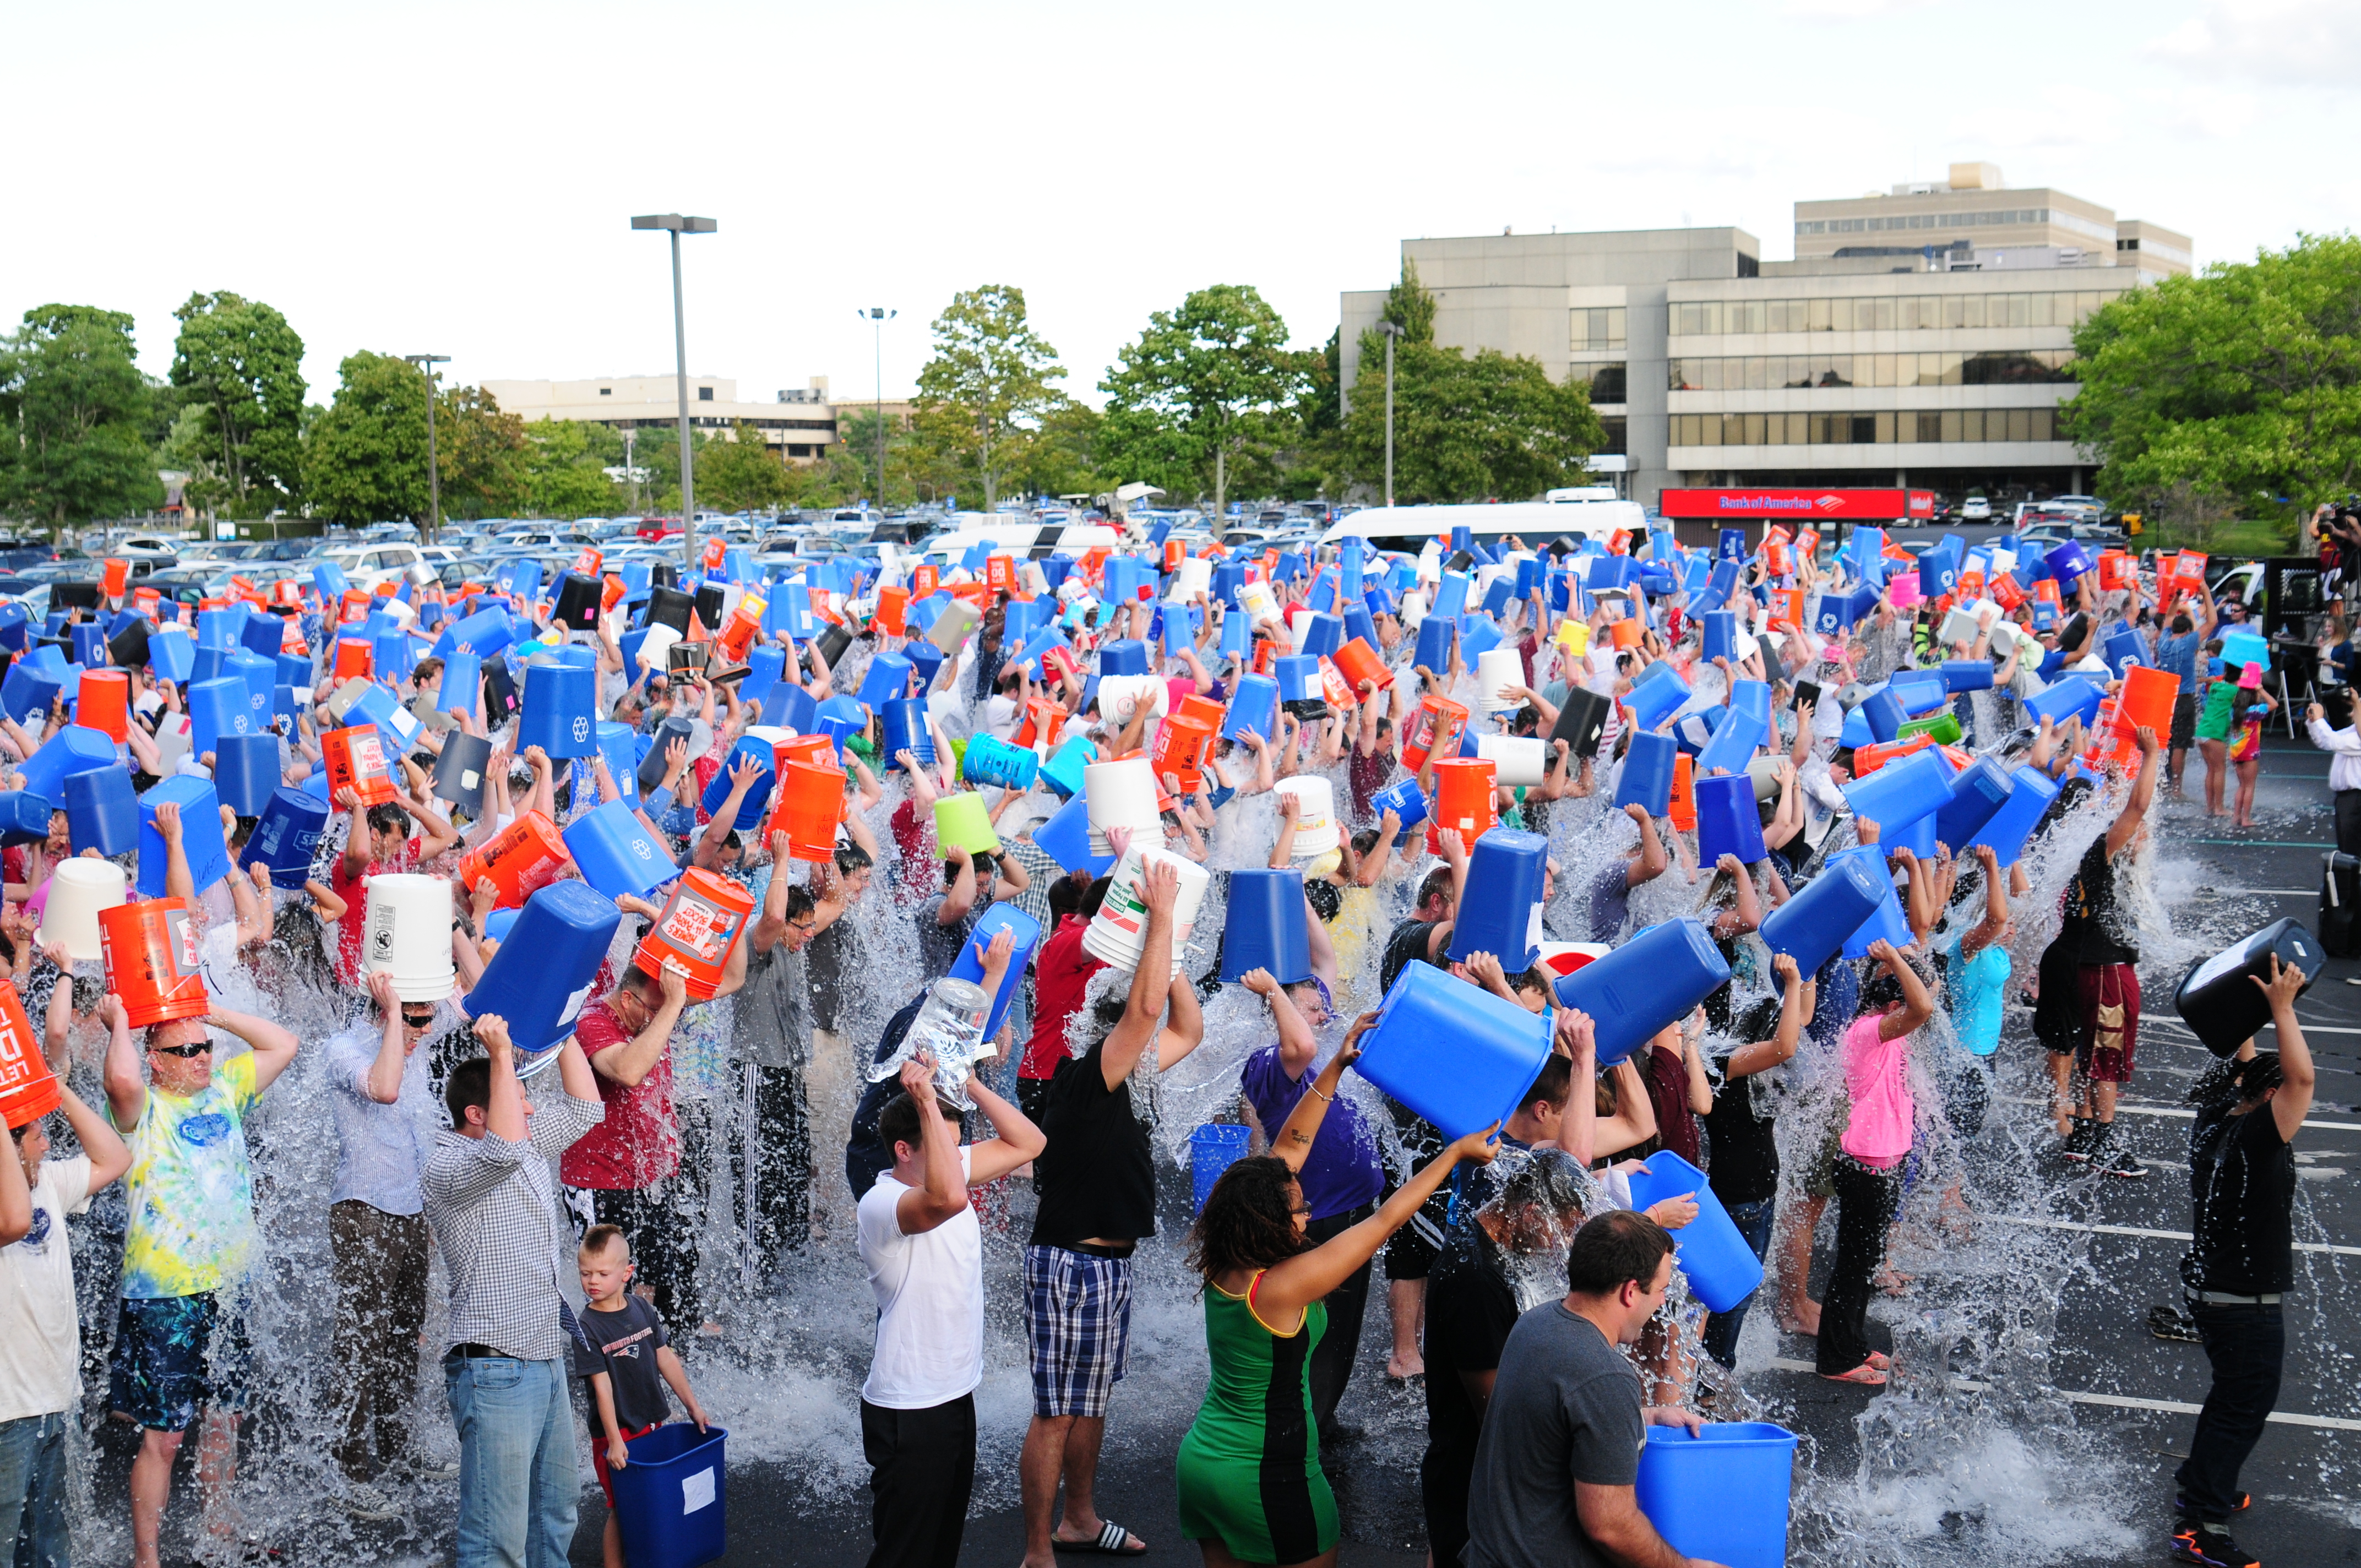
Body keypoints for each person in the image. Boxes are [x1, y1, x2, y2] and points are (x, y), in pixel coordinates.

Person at [1178, 1020, 1499, 1568]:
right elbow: (1383, 1222)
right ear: (1267, 1220)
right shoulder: (1279, 1288)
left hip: (1206, 1462)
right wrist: (1452, 1156)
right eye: (1300, 1210)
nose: (1308, 1216)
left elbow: (1290, 1148)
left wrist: (1336, 1065)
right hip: (1267, 1469)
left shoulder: (1226, 1246)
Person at [1020, 857, 1204, 1566]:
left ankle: (1079, 1519)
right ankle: (1039, 1549)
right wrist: (1157, 917)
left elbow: (1183, 1024)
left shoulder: (1127, 1076)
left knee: (1091, 1403)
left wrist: (1170, 942)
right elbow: (1149, 1012)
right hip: (1070, 1263)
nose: (1149, 1039)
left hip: (1105, 1265)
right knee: (1056, 1411)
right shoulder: (1091, 1072)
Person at [103, 1003, 301, 1568]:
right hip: (164, 1294)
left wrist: (208, 1012)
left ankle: (219, 1527)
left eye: (205, 1046)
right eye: (185, 1050)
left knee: (227, 1416)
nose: (201, 1058)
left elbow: (283, 1043)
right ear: (156, 1063)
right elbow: (119, 1078)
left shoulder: (225, 1090)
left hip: (229, 1284)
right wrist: (122, 1019)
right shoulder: (143, 1109)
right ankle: (148, 1559)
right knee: (165, 1436)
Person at [423, 1016, 606, 1568]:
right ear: (476, 1114)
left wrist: (562, 1025)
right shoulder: (446, 1163)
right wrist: (501, 1052)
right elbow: (499, 1151)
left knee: (556, 1514)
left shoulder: (521, 1145)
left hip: (545, 1355)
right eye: (518, 1098)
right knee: (495, 1537)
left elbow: (585, 1109)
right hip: (495, 1367)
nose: (529, 1108)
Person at [855, 1046, 1045, 1568]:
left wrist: (970, 1085)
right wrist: (923, 1098)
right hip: (909, 1407)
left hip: (954, 1394)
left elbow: (1031, 1142)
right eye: (943, 1143)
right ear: (903, 1150)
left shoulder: (942, 1165)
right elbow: (947, 1201)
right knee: (904, 1555)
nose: (956, 1158)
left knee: (941, 1549)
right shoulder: (881, 1204)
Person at [1460, 1210, 1719, 1568]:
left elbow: (1555, 1423)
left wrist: (1646, 1415)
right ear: (1631, 1292)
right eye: (1661, 1290)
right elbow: (1610, 1525)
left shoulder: (1536, 1324)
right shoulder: (1605, 1376)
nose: (1662, 1302)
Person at [2170, 959, 2313, 1568]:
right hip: (2242, 1305)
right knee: (2241, 1408)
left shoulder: (2219, 1117)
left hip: (2214, 1293)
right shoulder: (2259, 1134)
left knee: (2229, 1399)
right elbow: (2302, 1080)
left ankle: (2204, 1483)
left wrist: (2251, 1005)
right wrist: (2280, 1009)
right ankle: (2201, 1524)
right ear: (2271, 1096)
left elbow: (2253, 1063)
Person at [1422, 1147, 1588, 1568]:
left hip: (1473, 1469)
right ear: (1532, 1214)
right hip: (1474, 1474)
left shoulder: (1490, 1241)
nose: (1562, 1248)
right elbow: (1494, 1412)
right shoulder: (1475, 1279)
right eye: (1561, 1232)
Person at [1236, 967, 1383, 1443]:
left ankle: (1322, 1416)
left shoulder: (1321, 1064)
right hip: (1317, 1219)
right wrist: (1275, 990)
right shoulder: (1267, 1066)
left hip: (1349, 1209)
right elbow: (1300, 1046)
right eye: (1312, 1009)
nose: (1325, 1017)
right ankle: (1303, 1433)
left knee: (1340, 1333)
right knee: (1314, 1333)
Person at [562, 952, 743, 1333]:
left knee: (651, 1283)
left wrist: (737, 910)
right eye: (653, 1012)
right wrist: (673, 1005)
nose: (659, 1022)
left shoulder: (653, 1007)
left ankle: (642, 1364)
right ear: (628, 999)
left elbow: (732, 977)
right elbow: (627, 1071)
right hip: (600, 1180)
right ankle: (606, 1377)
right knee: (609, 1290)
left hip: (647, 1178)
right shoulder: (593, 1020)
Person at [321, 972, 448, 1513]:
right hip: (363, 1211)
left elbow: (481, 992)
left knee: (402, 1339)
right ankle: (348, 1474)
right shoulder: (344, 1047)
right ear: (384, 1008)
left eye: (426, 1018)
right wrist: (398, 1014)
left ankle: (398, 1450)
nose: (426, 1030)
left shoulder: (413, 1038)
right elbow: (384, 1087)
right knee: (360, 1346)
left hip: (410, 1210)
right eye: (417, 1018)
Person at [0, 1058, 123, 1568]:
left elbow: (115, 1158)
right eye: (35, 1136)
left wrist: (54, 1090)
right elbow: (15, 1220)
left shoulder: (47, 1180)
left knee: (51, 1552)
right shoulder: (14, 1203)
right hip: (8, 1415)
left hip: (54, 1401)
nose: (47, 1143)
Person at [1816, 939, 1932, 1386]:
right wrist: (1898, 962)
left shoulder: (1885, 1029)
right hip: (1864, 1166)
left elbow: (1925, 999)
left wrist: (1897, 960)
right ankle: (1835, 1359)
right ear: (1895, 1005)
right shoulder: (1870, 1031)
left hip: (1883, 1162)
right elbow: (1922, 1007)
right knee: (1852, 1265)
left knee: (1864, 1264)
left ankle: (1854, 1343)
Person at [2054, 725, 2161, 1176]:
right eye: (2138, 832)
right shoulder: (2105, 853)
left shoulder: (2097, 858)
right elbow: (2138, 808)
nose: (2144, 835)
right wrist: (2152, 754)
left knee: (2092, 1048)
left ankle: (2082, 1132)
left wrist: (2118, 782)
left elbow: (2130, 810)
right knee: (2108, 1058)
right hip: (2106, 973)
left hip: (2091, 966)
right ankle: (2104, 1140)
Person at [572, 1225, 710, 1568]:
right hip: (614, 1434)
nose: (593, 1281)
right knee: (620, 1508)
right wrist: (615, 1442)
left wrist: (693, 1406)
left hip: (649, 1425)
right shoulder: (587, 1328)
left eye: (603, 1273)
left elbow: (666, 1358)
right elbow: (602, 1388)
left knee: (650, 1500)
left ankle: (652, 1556)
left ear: (627, 1273)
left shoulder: (642, 1310)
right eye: (585, 1273)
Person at [1698, 953, 1808, 1371]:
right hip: (1742, 1193)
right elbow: (1786, 1045)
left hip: (1750, 1188)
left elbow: (1799, 1022)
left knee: (1732, 1290)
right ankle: (1715, 1373)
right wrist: (1794, 983)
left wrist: (1802, 976)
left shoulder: (1717, 1055)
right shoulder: (1722, 1060)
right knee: (1736, 1292)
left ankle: (1710, 1370)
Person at [736, 831, 820, 1260]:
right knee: (757, 1175)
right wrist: (783, 858)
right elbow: (770, 917)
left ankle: (789, 1258)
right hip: (755, 1070)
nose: (809, 935)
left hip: (787, 1070)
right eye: (802, 926)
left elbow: (837, 903)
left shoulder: (794, 943)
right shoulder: (761, 946)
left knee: (791, 1168)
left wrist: (821, 852)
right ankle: (753, 1268)